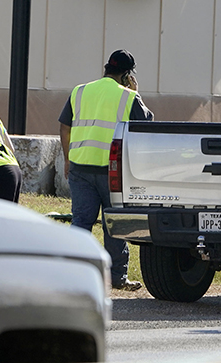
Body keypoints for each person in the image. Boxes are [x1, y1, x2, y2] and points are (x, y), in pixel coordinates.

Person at [59, 49, 154, 293]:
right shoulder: (128, 96)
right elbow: (146, 125)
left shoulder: (80, 91)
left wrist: (68, 158)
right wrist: (135, 94)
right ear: (126, 75)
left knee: (81, 221)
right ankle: (116, 277)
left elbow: (65, 125)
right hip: (112, 171)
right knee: (114, 225)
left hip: (80, 166)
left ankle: (73, 273)